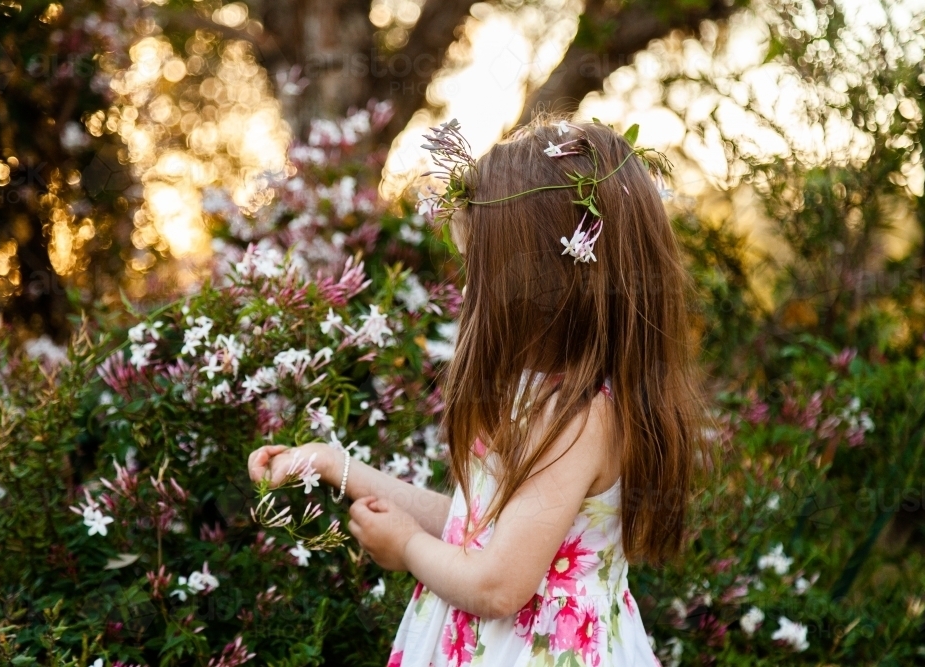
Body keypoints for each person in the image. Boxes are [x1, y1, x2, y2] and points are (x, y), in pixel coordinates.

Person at [248, 114, 705, 666]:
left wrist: (408, 548)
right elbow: (476, 527)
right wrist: (330, 465)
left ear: (544, 285)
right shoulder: (537, 394)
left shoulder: (580, 418)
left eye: (481, 270)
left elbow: (496, 586)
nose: (470, 288)